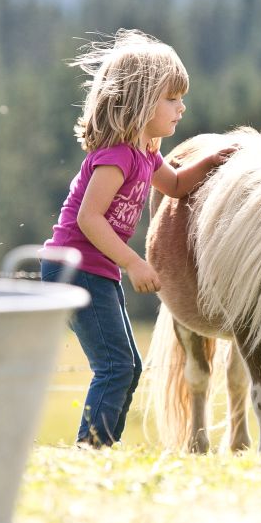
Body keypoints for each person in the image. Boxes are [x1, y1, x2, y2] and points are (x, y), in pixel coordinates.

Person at [41, 29, 231, 447]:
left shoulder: (146, 154)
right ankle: (91, 451)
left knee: (128, 366)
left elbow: (177, 185)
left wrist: (212, 161)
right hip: (76, 268)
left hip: (96, 269)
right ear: (141, 100)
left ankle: (100, 447)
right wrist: (134, 262)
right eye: (172, 98)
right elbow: (90, 219)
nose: (182, 107)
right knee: (115, 366)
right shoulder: (116, 156)